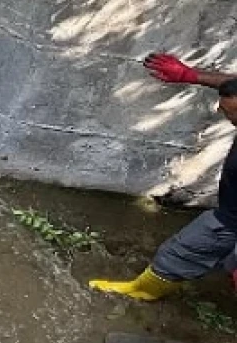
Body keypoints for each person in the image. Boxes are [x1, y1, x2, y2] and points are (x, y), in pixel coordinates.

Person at [89, 52, 237, 301]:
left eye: (231, 113)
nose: (223, 113)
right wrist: (190, 75)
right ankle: (142, 291)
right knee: (178, 253)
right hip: (227, 216)